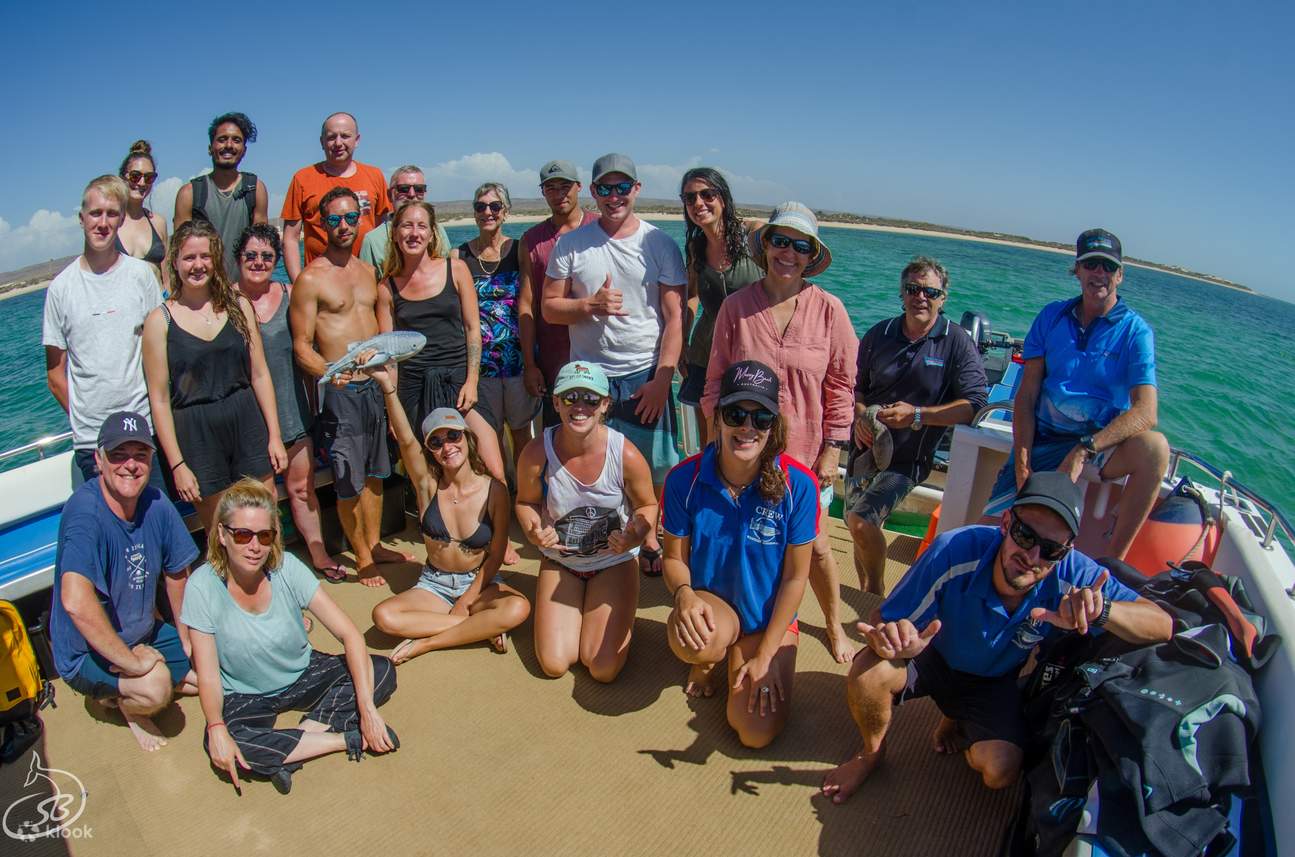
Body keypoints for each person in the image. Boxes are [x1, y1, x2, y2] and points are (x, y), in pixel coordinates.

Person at [821, 472, 1173, 803]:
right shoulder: (954, 549)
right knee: (868, 672)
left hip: (992, 682)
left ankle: (959, 718)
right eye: (1024, 536)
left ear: (1065, 552)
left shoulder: (1076, 575)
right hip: (932, 657)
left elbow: (1162, 624)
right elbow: (883, 619)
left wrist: (1103, 611)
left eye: (1051, 550)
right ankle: (871, 752)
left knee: (1001, 771)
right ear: (1006, 524)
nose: (1032, 556)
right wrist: (896, 641)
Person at [703, 202, 858, 663]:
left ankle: (832, 625)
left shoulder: (831, 310)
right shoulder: (736, 307)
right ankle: (739, 625)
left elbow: (842, 385)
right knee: (743, 539)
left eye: (800, 245)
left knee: (816, 550)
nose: (788, 252)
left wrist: (833, 450)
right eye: (780, 241)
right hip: (744, 451)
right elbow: (715, 381)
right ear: (765, 245)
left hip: (807, 457)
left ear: (812, 255)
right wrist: (721, 439)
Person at [182, 478, 398, 795]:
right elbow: (209, 675)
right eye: (243, 534)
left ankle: (294, 744)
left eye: (264, 535)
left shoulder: (286, 568)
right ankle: (344, 739)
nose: (255, 546)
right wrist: (215, 727)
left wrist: (367, 710)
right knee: (227, 740)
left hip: (303, 672)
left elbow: (349, 634)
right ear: (222, 535)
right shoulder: (202, 586)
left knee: (381, 670)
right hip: (245, 693)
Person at [983, 229, 1169, 560]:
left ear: (1120, 275)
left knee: (1155, 449)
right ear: (1078, 270)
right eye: (1091, 264)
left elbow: (1146, 412)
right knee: (986, 540)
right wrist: (1023, 465)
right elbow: (1026, 397)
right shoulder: (1051, 317)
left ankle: (1112, 563)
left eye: (1108, 267)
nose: (1099, 273)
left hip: (1098, 444)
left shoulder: (1135, 332)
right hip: (1043, 439)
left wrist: (1084, 450)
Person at [542, 153, 686, 576]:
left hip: (645, 373)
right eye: (604, 188)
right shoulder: (571, 244)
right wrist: (590, 305)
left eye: (622, 187)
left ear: (636, 190)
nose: (614, 196)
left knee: (656, 466)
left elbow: (675, 316)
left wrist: (663, 378)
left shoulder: (659, 243)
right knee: (593, 466)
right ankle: (598, 541)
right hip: (590, 377)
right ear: (593, 193)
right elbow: (550, 308)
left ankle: (650, 539)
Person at [662, 361, 816, 748]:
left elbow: (797, 578)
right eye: (736, 414)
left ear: (773, 425)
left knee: (755, 733)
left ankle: (744, 656)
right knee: (691, 642)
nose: (747, 427)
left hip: (769, 619)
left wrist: (766, 654)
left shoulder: (799, 484)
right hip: (715, 607)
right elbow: (674, 559)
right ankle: (708, 659)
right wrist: (684, 595)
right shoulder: (685, 479)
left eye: (761, 417)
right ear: (717, 419)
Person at [49, 412, 199, 752]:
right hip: (86, 653)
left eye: (140, 455)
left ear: (151, 460)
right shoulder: (85, 513)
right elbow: (75, 601)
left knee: (208, 667)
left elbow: (177, 572)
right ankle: (127, 707)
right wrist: (135, 664)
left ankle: (135, 682)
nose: (130, 465)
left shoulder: (157, 504)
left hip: (144, 633)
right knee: (156, 687)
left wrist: (187, 639)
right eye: (118, 455)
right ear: (99, 460)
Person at [291, 187, 410, 587]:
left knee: (377, 473)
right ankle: (361, 555)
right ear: (321, 225)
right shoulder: (310, 279)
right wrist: (329, 370)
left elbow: (383, 333)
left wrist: (389, 375)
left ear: (361, 219)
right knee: (347, 478)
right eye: (333, 219)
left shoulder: (367, 271)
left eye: (349, 218)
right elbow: (301, 346)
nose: (343, 226)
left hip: (374, 386)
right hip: (340, 393)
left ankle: (374, 544)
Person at [848, 257, 988, 595]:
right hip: (864, 448)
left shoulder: (956, 342)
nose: (920, 297)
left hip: (909, 459)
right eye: (913, 289)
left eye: (929, 291)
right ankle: (867, 590)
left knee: (862, 522)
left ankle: (875, 593)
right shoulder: (879, 334)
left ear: (943, 297)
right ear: (902, 293)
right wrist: (860, 415)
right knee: (857, 528)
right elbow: (854, 386)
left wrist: (918, 415)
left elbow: (975, 405)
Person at [515, 361, 658, 682]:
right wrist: (535, 531)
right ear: (555, 403)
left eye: (590, 399)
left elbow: (647, 505)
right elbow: (525, 502)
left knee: (602, 668)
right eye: (569, 398)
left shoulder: (626, 454)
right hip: (561, 560)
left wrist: (635, 536)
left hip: (614, 561)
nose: (579, 407)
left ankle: (611, 611)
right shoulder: (537, 451)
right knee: (554, 664)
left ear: (605, 404)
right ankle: (588, 611)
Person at [368, 384, 531, 663]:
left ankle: (429, 642)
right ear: (430, 450)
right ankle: (482, 628)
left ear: (466, 438)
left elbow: (494, 557)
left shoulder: (495, 491)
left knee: (518, 608)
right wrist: (389, 390)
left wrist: (467, 601)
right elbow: (406, 441)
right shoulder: (428, 486)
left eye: (453, 436)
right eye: (436, 442)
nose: (447, 447)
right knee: (383, 616)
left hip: (479, 582)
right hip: (434, 584)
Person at [143, 219, 287, 530]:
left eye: (205, 256)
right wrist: (178, 464)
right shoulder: (160, 321)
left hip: (244, 414)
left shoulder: (238, 305)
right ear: (175, 263)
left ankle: (269, 576)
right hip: (196, 429)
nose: (198, 265)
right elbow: (159, 399)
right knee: (218, 524)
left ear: (216, 259)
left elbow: (260, 374)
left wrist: (274, 435)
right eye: (189, 258)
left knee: (266, 505)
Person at [233, 222, 345, 582]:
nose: (258, 261)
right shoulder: (226, 303)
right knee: (263, 505)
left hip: (294, 412)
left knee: (302, 490)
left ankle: (319, 555)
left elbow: (313, 345)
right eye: (251, 255)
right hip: (251, 423)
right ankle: (273, 575)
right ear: (238, 259)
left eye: (267, 256)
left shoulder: (290, 294)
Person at [43, 175, 167, 488]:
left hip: (144, 428)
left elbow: (161, 353)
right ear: (81, 218)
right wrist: (87, 420)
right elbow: (56, 375)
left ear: (122, 219)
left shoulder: (141, 276)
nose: (102, 222)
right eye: (95, 213)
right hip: (93, 442)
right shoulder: (60, 289)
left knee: (155, 525)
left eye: (112, 214)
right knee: (110, 533)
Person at [374, 200, 509, 484]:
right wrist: (392, 411)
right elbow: (390, 356)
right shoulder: (387, 288)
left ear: (432, 233)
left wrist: (472, 381)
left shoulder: (455, 269)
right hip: (414, 385)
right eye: (406, 225)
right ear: (395, 233)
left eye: (422, 226)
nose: (414, 233)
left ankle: (497, 528)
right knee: (430, 476)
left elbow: (473, 329)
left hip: (459, 378)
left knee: (493, 468)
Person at [455, 182, 540, 465]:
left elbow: (529, 303)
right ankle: (499, 500)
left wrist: (531, 364)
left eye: (495, 206)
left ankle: (524, 498)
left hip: (516, 363)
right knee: (487, 440)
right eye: (481, 207)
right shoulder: (459, 257)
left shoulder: (518, 250)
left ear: (505, 212)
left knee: (520, 435)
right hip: (481, 369)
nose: (487, 212)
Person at [677, 168, 763, 448]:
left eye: (707, 194)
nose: (698, 203)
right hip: (706, 350)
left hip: (752, 352)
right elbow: (692, 295)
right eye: (690, 198)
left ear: (722, 198)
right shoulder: (695, 247)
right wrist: (682, 342)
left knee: (752, 429)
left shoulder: (754, 233)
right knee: (710, 438)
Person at [521, 159, 597, 427]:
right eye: (550, 187)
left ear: (579, 187)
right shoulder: (532, 240)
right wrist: (530, 364)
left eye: (565, 186)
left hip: (599, 355)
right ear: (543, 192)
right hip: (554, 360)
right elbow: (527, 306)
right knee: (559, 437)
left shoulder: (601, 229)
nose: (559, 193)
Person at [280, 112, 389, 282]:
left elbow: (383, 232)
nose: (338, 143)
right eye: (331, 137)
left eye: (345, 136)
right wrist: (298, 284)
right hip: (321, 281)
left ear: (357, 140)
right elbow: (290, 239)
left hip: (368, 279)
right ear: (322, 142)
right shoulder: (302, 178)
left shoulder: (375, 176)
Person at [172, 112, 269, 280]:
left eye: (236, 140)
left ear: (244, 150)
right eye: (222, 139)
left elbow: (261, 247)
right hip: (202, 291)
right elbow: (180, 251)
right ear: (210, 148)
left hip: (243, 291)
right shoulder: (189, 193)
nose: (229, 145)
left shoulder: (256, 188)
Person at [358, 165, 451, 271]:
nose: (412, 194)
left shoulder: (438, 231)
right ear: (389, 195)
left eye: (419, 189)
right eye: (404, 189)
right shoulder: (373, 241)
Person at [115, 140, 169, 283]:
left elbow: (168, 279)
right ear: (122, 177)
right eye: (135, 176)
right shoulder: (110, 224)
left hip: (158, 303)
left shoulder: (158, 223)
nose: (142, 182)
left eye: (149, 177)